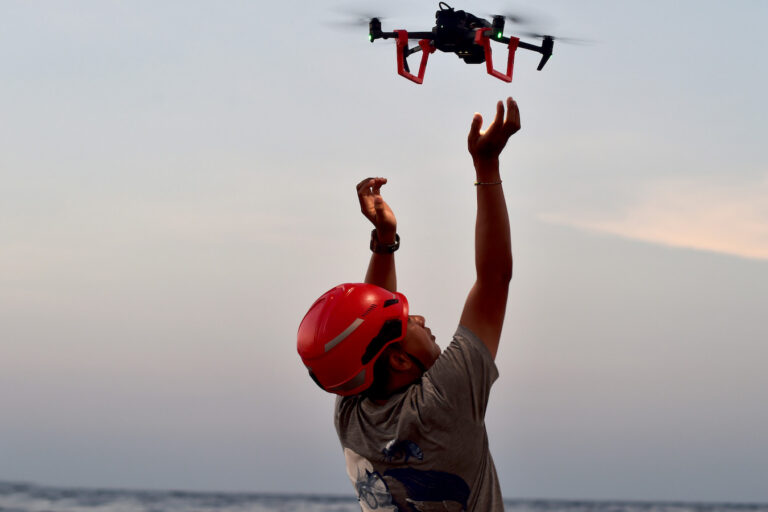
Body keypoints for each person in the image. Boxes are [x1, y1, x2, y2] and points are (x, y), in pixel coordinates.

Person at [297, 97, 521, 511]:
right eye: (408, 320)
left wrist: (385, 242)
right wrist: (485, 165)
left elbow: (364, 334)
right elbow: (494, 280)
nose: (419, 317)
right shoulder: (443, 403)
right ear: (399, 361)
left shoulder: (353, 416)